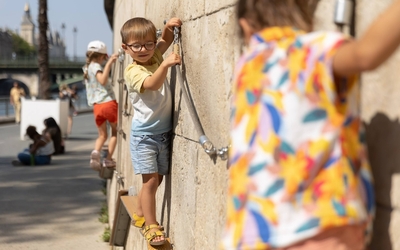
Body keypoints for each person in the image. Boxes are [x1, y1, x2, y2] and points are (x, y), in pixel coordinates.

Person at [221, 1, 400, 250]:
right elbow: (365, 55)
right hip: (319, 225)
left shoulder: (246, 68)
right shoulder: (312, 50)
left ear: (246, 27)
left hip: (249, 234)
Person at [120, 17, 182, 246]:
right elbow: (152, 84)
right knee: (150, 182)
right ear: (126, 48)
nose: (144, 50)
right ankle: (151, 226)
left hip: (162, 133)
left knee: (158, 178)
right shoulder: (133, 70)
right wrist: (166, 65)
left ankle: (139, 212)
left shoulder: (153, 54)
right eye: (137, 46)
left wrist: (167, 28)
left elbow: (164, 41)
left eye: (148, 43)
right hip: (144, 136)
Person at [83, 40, 118, 170]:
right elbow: (103, 80)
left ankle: (96, 152)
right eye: (105, 57)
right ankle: (108, 160)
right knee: (115, 132)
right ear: (101, 56)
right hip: (108, 103)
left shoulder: (86, 68)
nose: (105, 59)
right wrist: (110, 62)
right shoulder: (96, 66)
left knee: (102, 135)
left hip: (97, 107)